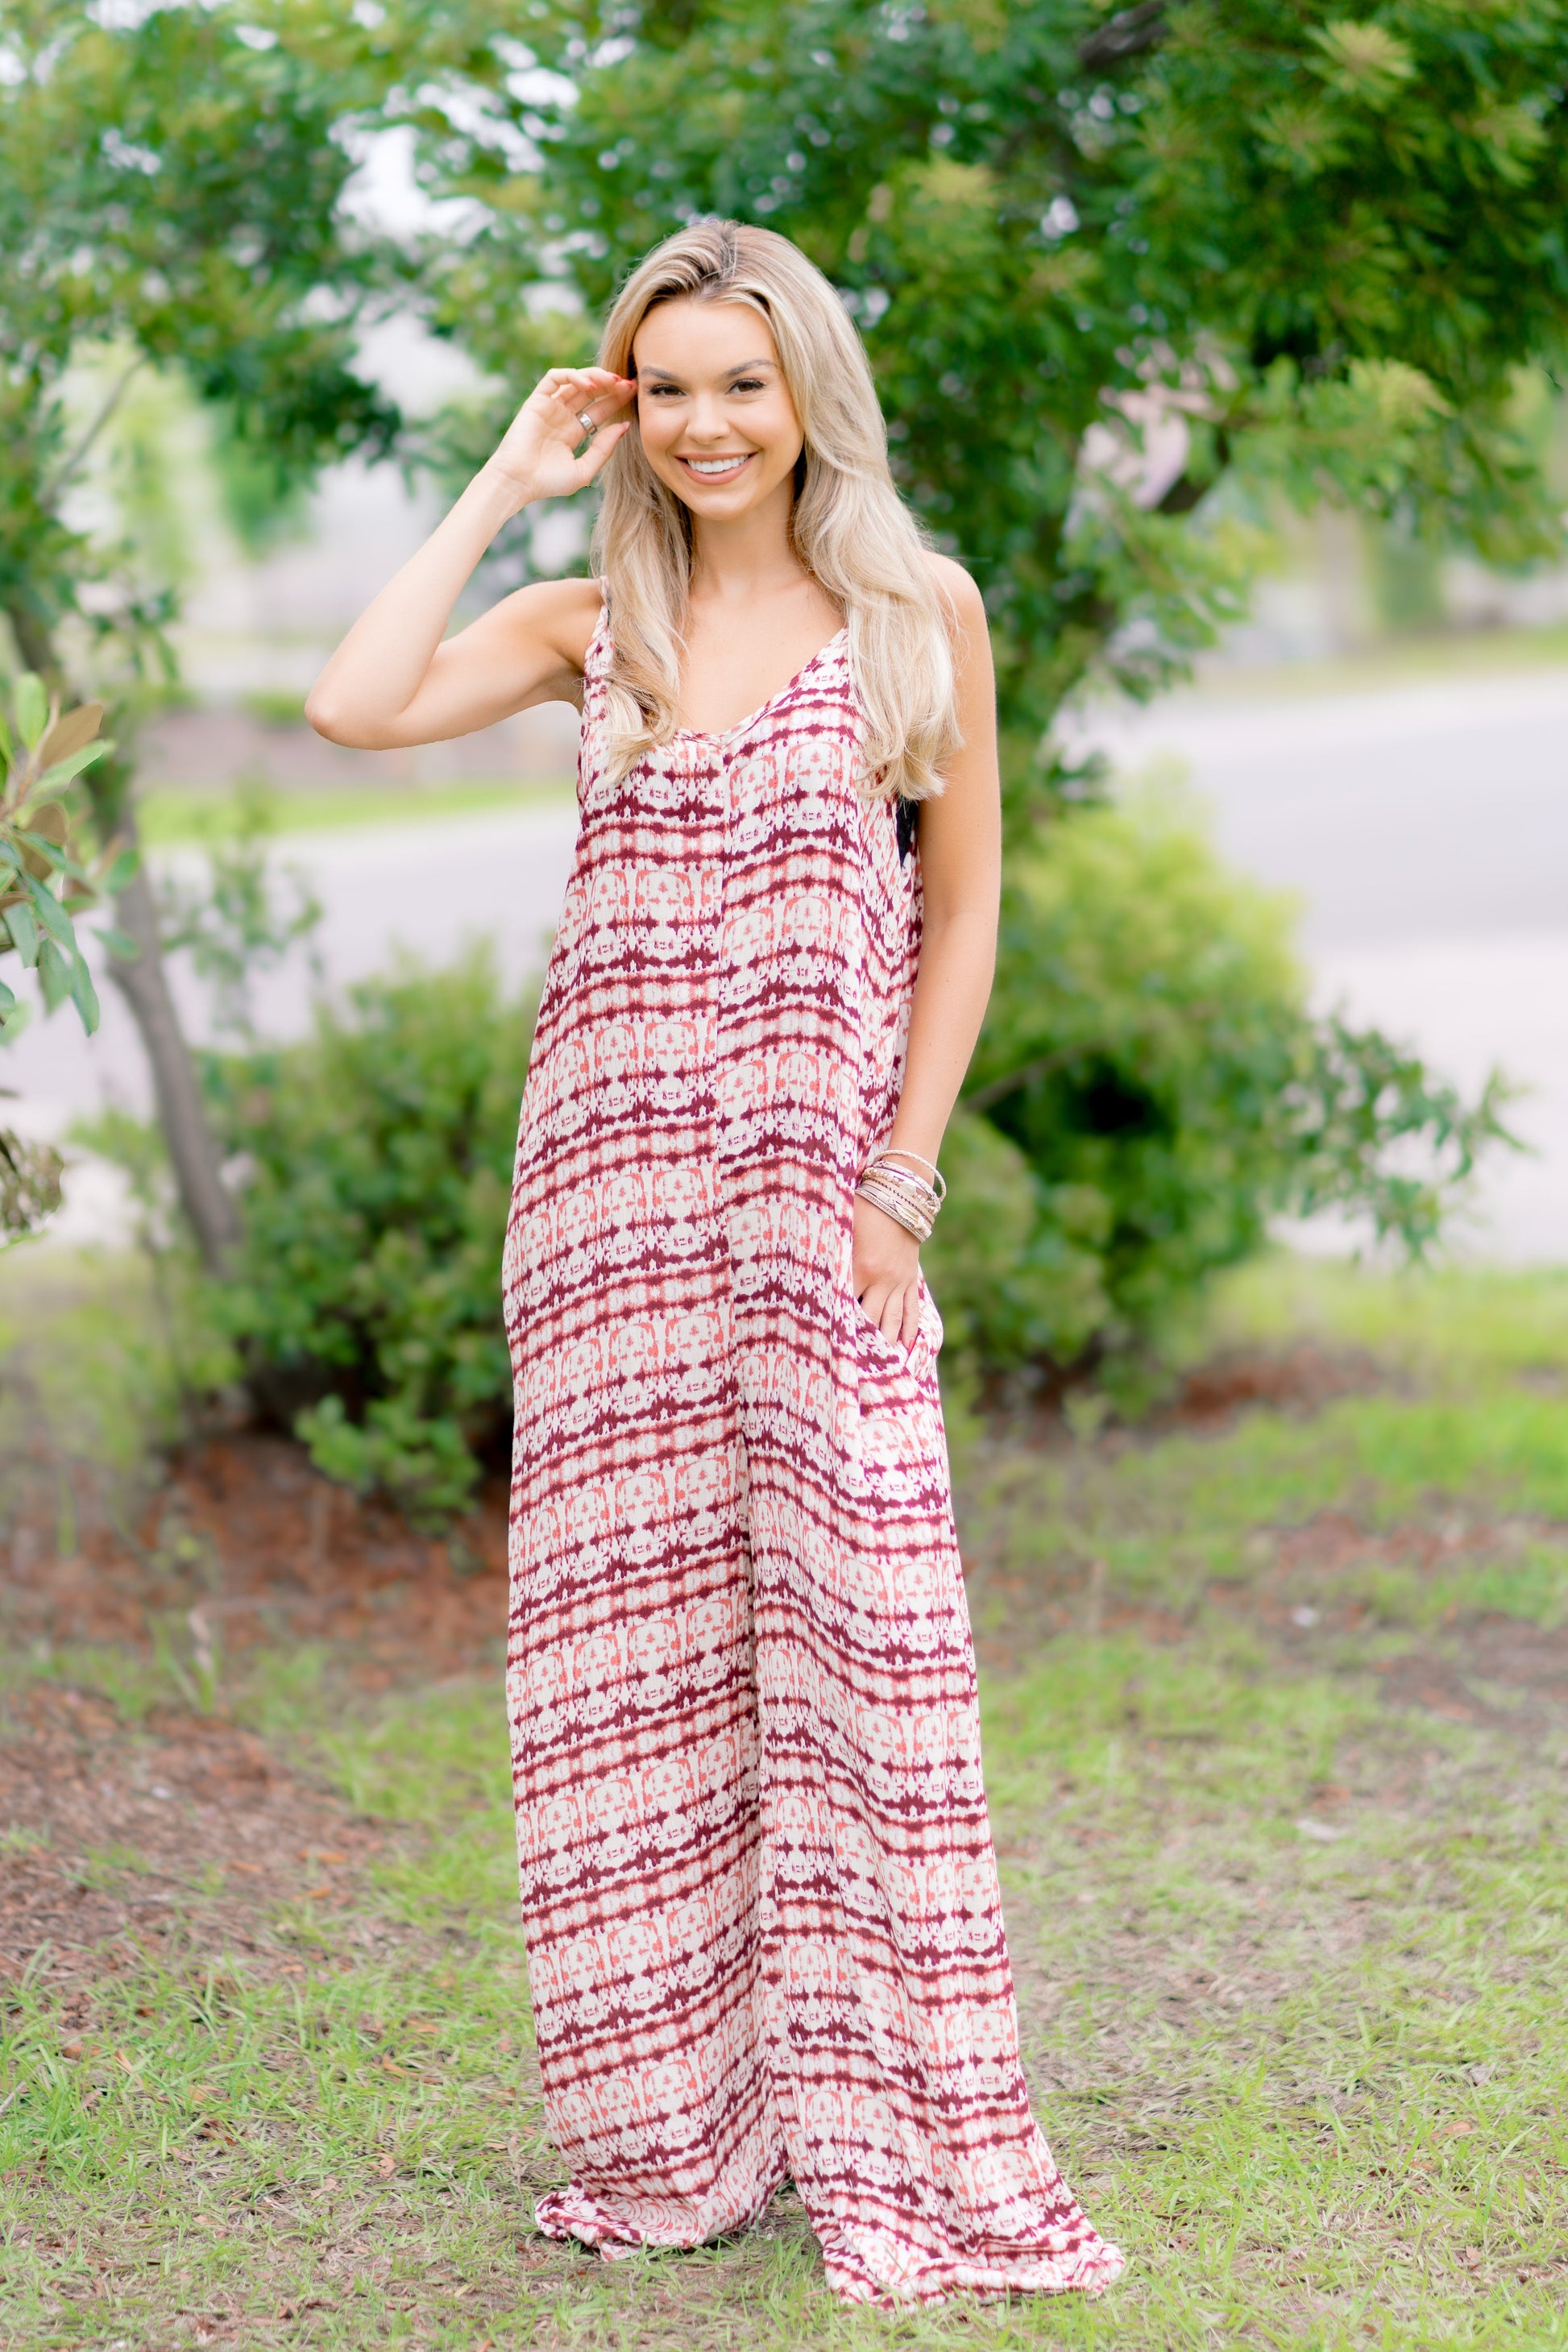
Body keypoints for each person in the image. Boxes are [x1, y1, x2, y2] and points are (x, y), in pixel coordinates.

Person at [308, 216, 1123, 2311]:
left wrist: (900, 1186)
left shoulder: (917, 611)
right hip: (606, 1221)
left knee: (869, 1657)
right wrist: (509, 476)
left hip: (820, 1206)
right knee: (634, 1680)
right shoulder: (593, 623)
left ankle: (904, 2114)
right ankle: (677, 2133)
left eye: (739, 384)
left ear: (806, 393)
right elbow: (348, 704)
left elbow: (964, 915)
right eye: (663, 388)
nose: (702, 424)